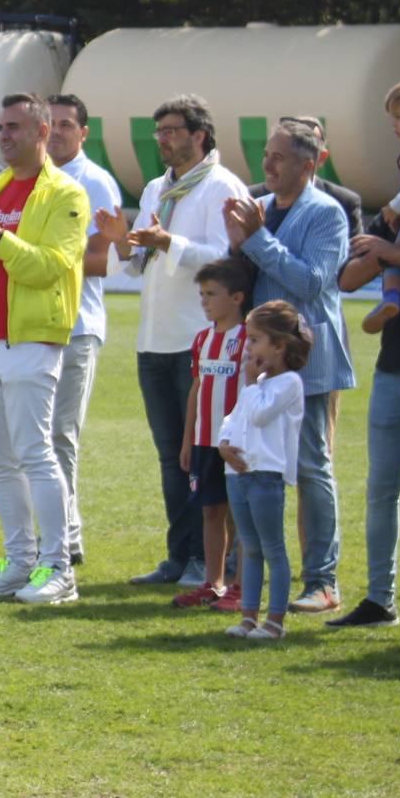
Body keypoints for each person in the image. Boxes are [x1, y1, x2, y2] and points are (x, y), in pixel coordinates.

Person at [97, 95, 244, 589]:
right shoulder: (159, 187)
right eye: (157, 130)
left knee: (203, 455)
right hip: (154, 339)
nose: (161, 139)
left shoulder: (222, 187)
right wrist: (123, 240)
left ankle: (212, 561)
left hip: (198, 342)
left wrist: (168, 243)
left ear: (200, 134)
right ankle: (179, 556)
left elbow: (227, 260)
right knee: (170, 456)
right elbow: (136, 263)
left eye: (172, 130)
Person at [0, 93, 88, 606]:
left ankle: (58, 567)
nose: (5, 136)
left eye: (15, 128)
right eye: (1, 127)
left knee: (35, 454)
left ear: (43, 132)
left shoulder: (65, 194)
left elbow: (50, 266)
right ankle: (20, 562)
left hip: (32, 340)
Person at [226, 117, 355, 616]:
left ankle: (322, 581)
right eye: (267, 155)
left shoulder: (327, 214)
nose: (267, 165)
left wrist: (256, 240)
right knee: (254, 459)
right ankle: (251, 572)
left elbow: (312, 282)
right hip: (260, 364)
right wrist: (234, 243)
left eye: (278, 157)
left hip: (308, 364)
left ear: (310, 164)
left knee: (310, 467)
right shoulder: (259, 208)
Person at [332, 209, 400, 627]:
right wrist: (384, 253)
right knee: (381, 491)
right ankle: (379, 600)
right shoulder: (399, 213)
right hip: (393, 371)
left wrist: (395, 254)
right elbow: (347, 280)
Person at [46, 94, 122, 565]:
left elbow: (102, 259)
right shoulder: (34, 180)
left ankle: (67, 539)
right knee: (35, 439)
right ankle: (53, 535)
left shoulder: (93, 181)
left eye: (66, 124)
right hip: (36, 326)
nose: (56, 132)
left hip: (75, 326)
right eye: (49, 123)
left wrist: (39, 257)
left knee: (60, 437)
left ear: (83, 132)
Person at [218, 301, 313, 641]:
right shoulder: (256, 384)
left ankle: (274, 621)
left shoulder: (288, 384)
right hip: (239, 475)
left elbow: (259, 415)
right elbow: (235, 417)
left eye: (255, 340)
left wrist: (248, 383)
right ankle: (248, 616)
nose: (249, 347)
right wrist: (223, 443)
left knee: (272, 548)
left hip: (266, 476)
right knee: (250, 547)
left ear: (280, 345)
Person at [175, 257, 252, 611]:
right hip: (205, 440)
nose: (204, 301)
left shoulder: (249, 338)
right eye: (202, 294)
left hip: (236, 443)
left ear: (237, 297)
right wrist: (188, 439)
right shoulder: (203, 339)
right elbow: (196, 389)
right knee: (210, 510)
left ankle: (241, 586)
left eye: (211, 294)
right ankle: (213, 581)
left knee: (239, 512)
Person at [363, 75, 400, 334]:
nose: (393, 124)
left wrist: (393, 208)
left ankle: (391, 296)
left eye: (399, 117)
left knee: (395, 251)